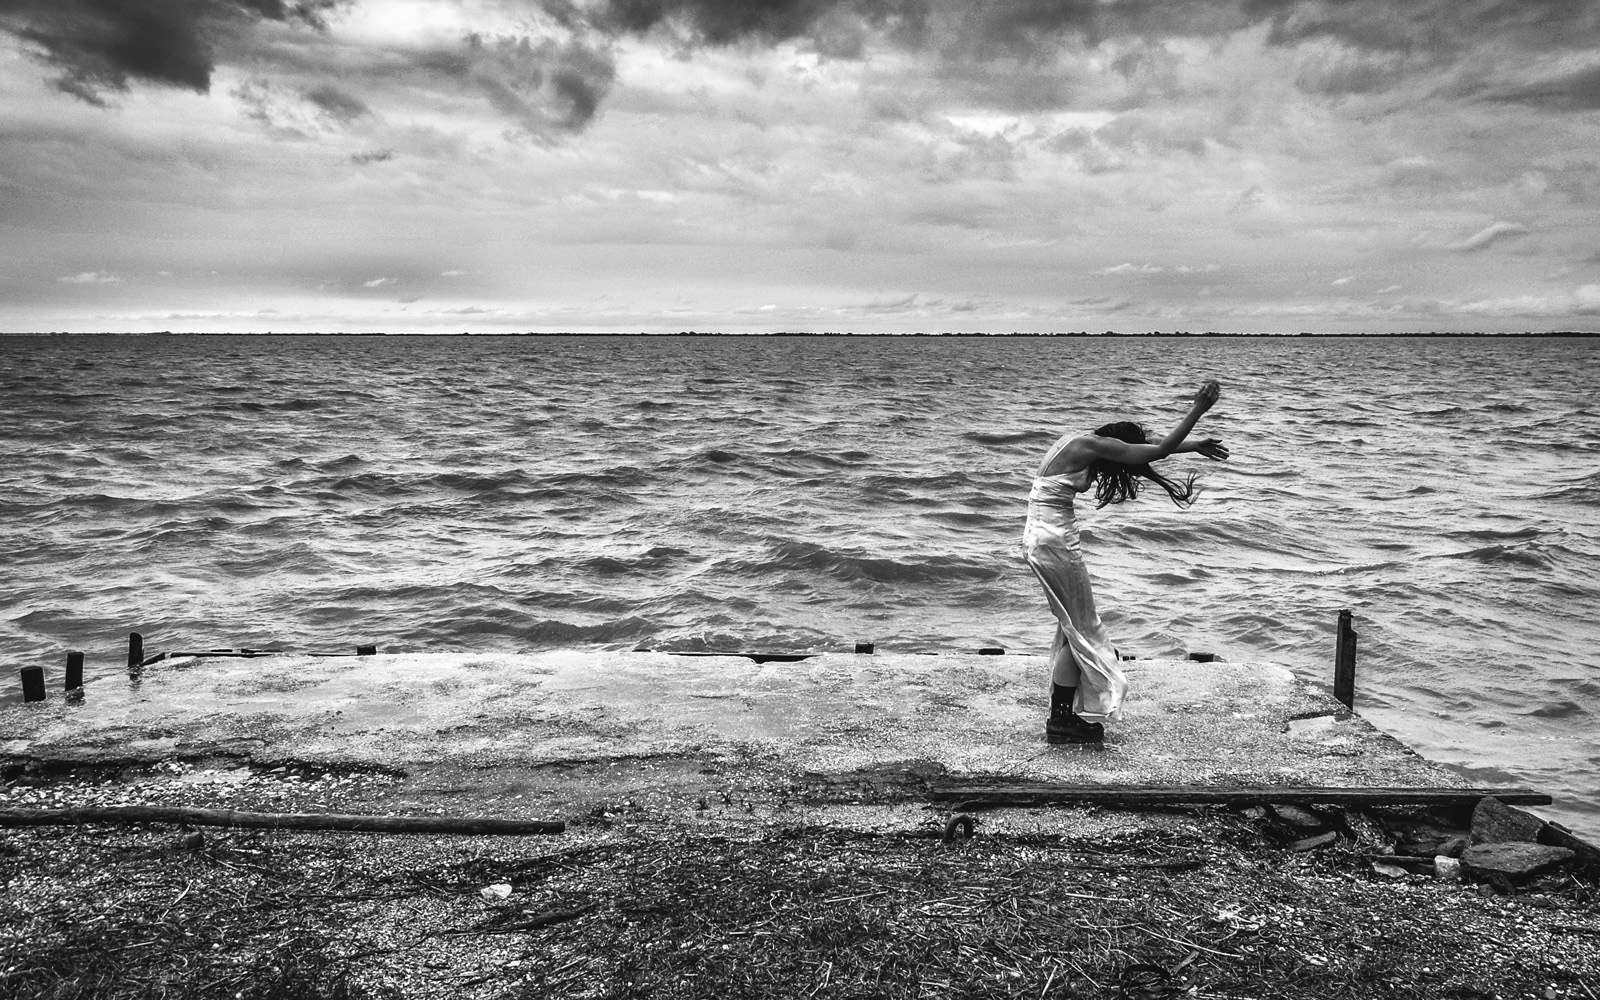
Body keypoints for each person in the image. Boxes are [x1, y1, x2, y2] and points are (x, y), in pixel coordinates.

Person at [1023, 380, 1228, 744]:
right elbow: (1157, 450)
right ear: (1117, 443)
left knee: (1074, 626)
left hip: (1042, 538)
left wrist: (1194, 444)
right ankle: (1061, 719)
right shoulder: (1091, 445)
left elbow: (1148, 448)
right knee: (1082, 629)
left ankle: (1063, 713)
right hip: (1055, 541)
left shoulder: (1079, 441)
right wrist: (1198, 408)